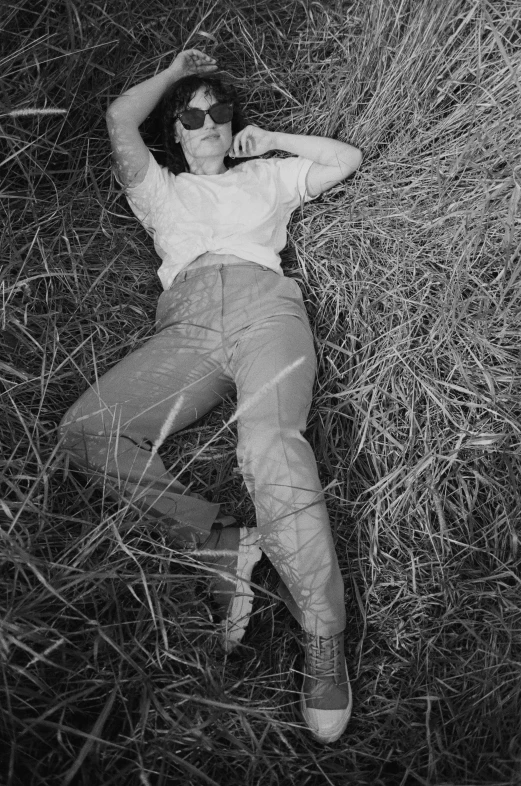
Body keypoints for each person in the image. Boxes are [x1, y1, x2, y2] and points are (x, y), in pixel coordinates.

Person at [59, 49, 362, 743]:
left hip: (265, 313)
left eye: (218, 113)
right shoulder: (158, 190)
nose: (208, 125)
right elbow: (117, 118)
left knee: (267, 445)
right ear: (175, 129)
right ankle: (214, 541)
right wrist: (170, 73)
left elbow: (343, 160)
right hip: (188, 329)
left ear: (233, 125)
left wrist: (276, 141)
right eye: (192, 116)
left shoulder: (265, 178)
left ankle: (323, 639)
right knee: (87, 431)